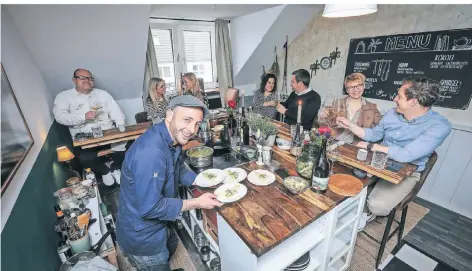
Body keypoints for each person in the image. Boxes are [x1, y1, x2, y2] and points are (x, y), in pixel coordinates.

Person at [116, 95, 223, 271]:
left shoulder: (170, 136)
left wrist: (200, 181)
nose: (192, 129)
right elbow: (151, 208)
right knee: (158, 263)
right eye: (187, 120)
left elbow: (178, 168)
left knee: (170, 246)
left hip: (162, 226)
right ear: (169, 115)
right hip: (143, 236)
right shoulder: (151, 153)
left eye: (197, 123)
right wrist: (197, 202)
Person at [336, 76, 452, 230]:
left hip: (407, 171)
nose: (394, 98)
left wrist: (373, 147)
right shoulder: (392, 113)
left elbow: (406, 155)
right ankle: (357, 203)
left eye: (399, 96)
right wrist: (349, 125)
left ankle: (367, 212)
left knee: (377, 205)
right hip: (377, 162)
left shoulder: (439, 126)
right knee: (341, 183)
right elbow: (374, 135)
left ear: (413, 101)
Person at [53, 69, 126, 185]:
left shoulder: (103, 94)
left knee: (129, 147)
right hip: (85, 140)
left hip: (108, 135)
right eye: (82, 78)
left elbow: (116, 111)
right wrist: (83, 117)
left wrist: (121, 128)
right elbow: (60, 117)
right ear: (74, 80)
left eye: (90, 78)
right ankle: (105, 171)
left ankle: (115, 168)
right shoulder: (64, 97)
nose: (87, 81)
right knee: (84, 158)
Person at [318, 73, 381, 144]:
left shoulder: (372, 108)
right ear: (347, 90)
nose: (355, 90)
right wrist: (323, 118)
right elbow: (324, 126)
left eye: (358, 86)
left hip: (356, 146)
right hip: (334, 141)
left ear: (364, 86)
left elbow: (378, 133)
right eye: (351, 87)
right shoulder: (337, 103)